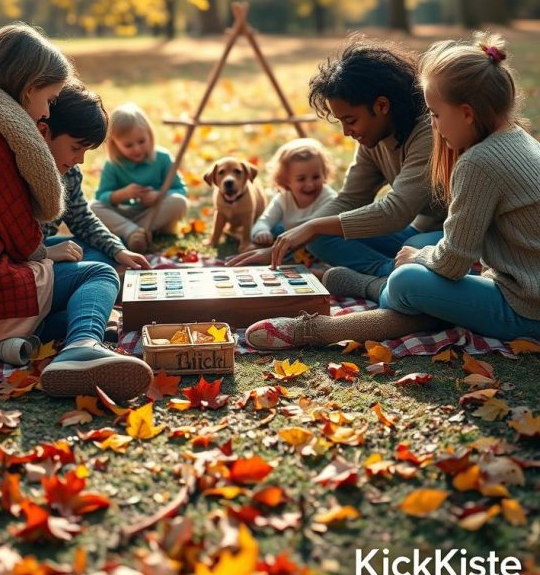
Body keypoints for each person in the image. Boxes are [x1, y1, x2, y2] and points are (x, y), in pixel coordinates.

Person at [245, 33, 540, 350]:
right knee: (351, 244)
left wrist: (418, 258)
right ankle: (421, 299)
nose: (435, 124)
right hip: (513, 286)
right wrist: (299, 234)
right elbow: (349, 200)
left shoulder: (476, 160)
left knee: (406, 280)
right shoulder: (517, 138)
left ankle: (360, 301)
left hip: (524, 307)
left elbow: (451, 259)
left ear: (467, 113)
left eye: (437, 115)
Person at [0, 23, 152, 400]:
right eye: (48, 98)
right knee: (97, 272)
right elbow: (24, 242)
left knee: (84, 258)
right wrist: (48, 252)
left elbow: (77, 217)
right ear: (28, 87)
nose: (46, 111)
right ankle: (82, 348)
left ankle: (20, 341)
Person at [231, 35, 444, 296]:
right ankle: (387, 274)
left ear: (382, 106)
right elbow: (349, 199)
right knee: (318, 233)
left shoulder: (427, 133)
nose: (346, 131)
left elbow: (396, 212)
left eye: (350, 120)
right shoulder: (372, 139)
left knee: (412, 245)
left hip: (450, 239)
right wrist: (285, 245)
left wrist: (311, 226)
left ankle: (389, 279)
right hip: (413, 235)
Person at [40, 81, 150, 275]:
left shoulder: (70, 174)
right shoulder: (21, 170)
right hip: (25, 260)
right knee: (102, 273)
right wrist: (45, 253)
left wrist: (118, 250)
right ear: (43, 133)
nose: (80, 160)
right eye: (75, 148)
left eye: (85, 151)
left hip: (43, 251)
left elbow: (83, 220)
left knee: (107, 251)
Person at [92, 102, 188, 252]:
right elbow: (101, 197)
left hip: (152, 212)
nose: (137, 149)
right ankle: (133, 232)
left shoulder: (162, 158)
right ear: (115, 144)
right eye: (128, 145)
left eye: (142, 141)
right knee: (92, 207)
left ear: (150, 135)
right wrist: (122, 194)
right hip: (124, 213)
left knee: (179, 202)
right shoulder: (113, 165)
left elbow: (180, 189)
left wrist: (159, 195)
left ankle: (136, 233)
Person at [251, 138, 337, 246]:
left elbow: (320, 229)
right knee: (276, 228)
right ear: (286, 181)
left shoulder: (329, 198)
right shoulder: (283, 198)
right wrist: (261, 231)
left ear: (324, 173)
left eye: (316, 177)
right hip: (292, 238)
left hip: (318, 241)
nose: (310, 184)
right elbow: (264, 221)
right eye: (301, 179)